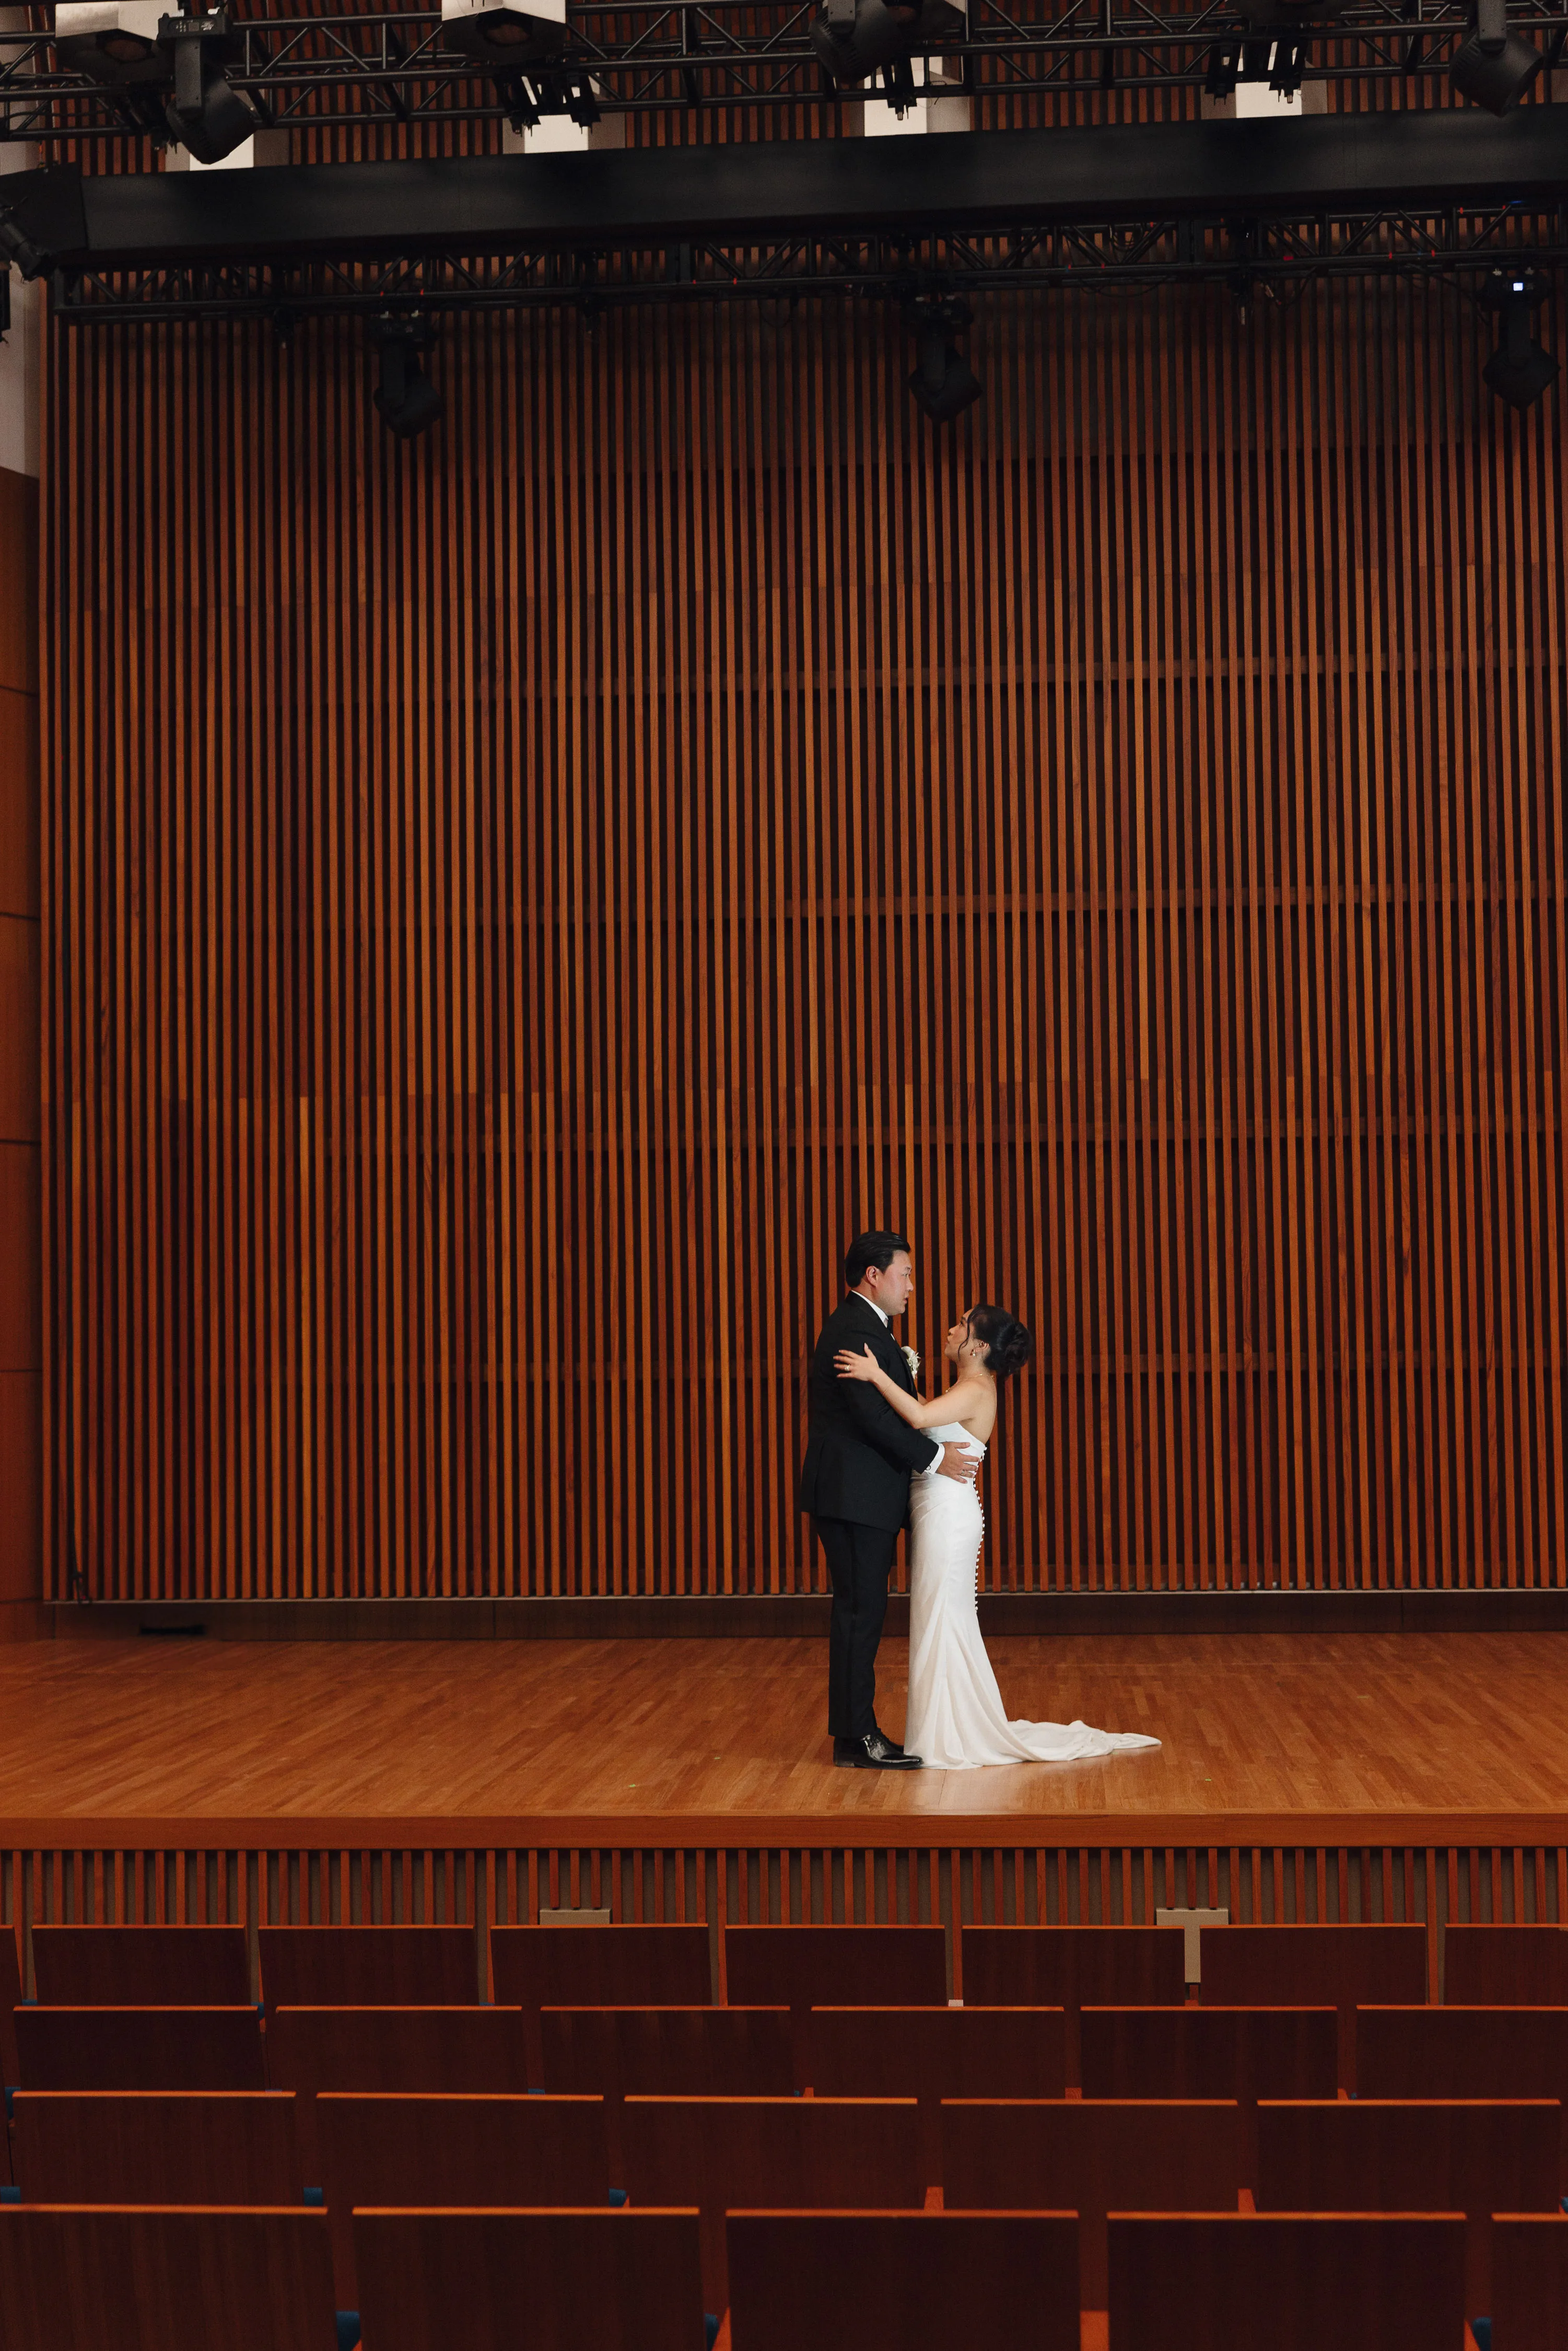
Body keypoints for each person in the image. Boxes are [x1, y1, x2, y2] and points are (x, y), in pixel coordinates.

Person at [835, 1305, 1160, 1768]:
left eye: (961, 1326)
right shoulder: (966, 1388)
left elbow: (918, 1420)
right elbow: (927, 1417)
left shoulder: (975, 1388)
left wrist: (876, 1374)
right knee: (937, 1620)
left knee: (943, 1620)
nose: (950, 1330)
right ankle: (942, 1730)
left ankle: (948, 1735)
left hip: (949, 1516)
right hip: (940, 1511)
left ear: (979, 1346)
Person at [799, 1231, 979, 1770]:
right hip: (852, 1496)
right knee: (860, 1614)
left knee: (864, 1612)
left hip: (862, 1495)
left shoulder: (867, 1328)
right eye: (904, 1274)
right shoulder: (854, 1332)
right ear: (873, 1276)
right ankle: (857, 1739)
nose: (910, 1287)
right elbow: (872, 1421)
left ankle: (856, 1734)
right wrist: (933, 1460)